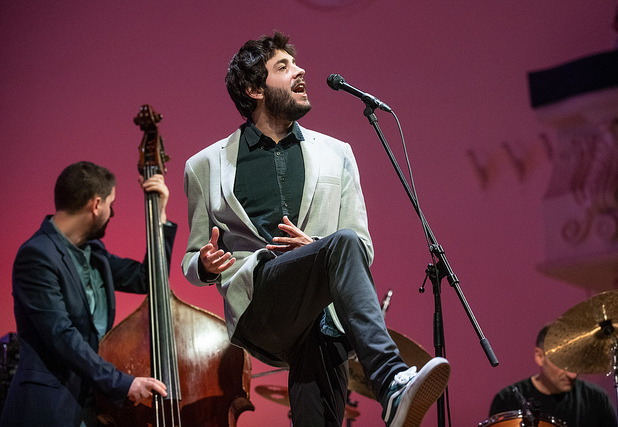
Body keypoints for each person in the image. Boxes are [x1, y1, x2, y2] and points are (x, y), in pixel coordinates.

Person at [181, 31, 450, 427]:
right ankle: (391, 380)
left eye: (296, 62)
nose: (300, 70)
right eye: (283, 66)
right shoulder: (205, 166)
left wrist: (316, 249)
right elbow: (190, 260)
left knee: (319, 417)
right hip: (262, 303)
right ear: (254, 89)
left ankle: (387, 390)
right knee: (338, 246)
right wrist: (205, 264)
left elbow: (360, 245)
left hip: (321, 317)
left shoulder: (337, 153)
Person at [0, 161, 174, 427]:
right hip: (47, 410)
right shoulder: (36, 256)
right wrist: (123, 383)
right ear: (95, 205)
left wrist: (159, 214)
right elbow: (62, 335)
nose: (111, 212)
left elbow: (146, 279)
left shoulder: (95, 253)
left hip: (91, 408)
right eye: (110, 204)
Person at [488, 324, 617, 427]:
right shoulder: (507, 400)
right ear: (540, 357)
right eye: (563, 363)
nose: (572, 375)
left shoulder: (596, 399)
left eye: (575, 364)